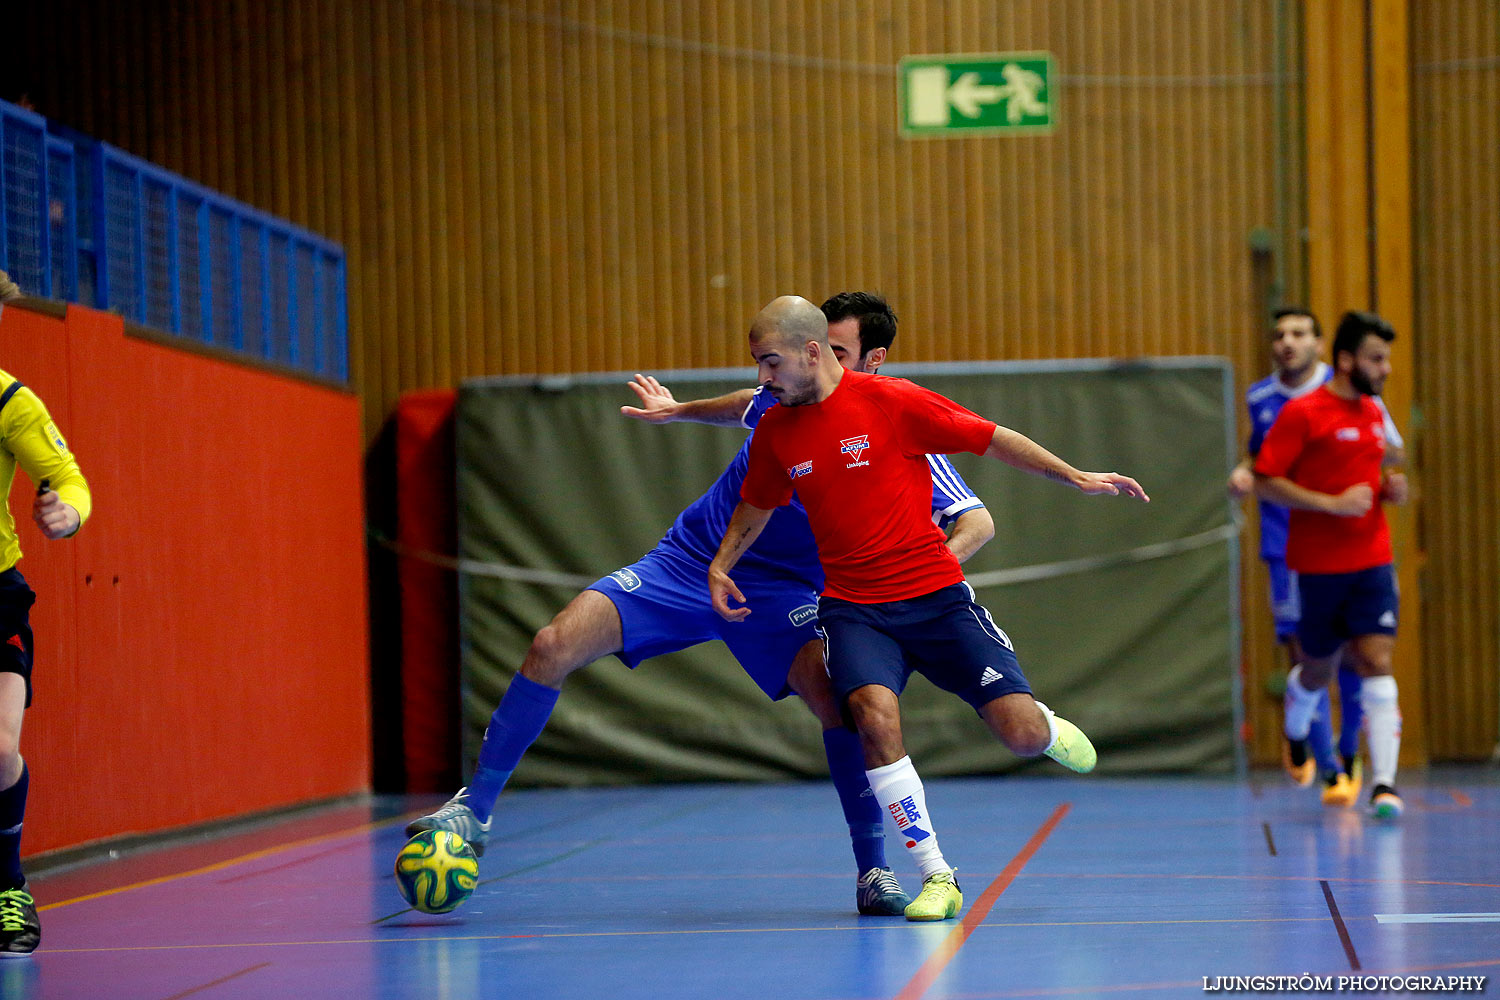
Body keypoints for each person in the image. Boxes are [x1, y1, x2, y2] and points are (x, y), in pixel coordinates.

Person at [408, 291, 994, 915]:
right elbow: (745, 404)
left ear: (863, 360)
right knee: (552, 643)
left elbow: (975, 521)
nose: (778, 374)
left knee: (837, 696)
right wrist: (678, 410)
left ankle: (873, 872)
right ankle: (475, 811)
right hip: (688, 564)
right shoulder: (781, 398)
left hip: (785, 594)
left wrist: (919, 576)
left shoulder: (901, 427)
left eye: (840, 352)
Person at [709, 296, 1148, 922]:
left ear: (812, 353)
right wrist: (721, 564)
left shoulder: (892, 403)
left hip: (937, 601)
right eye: (757, 364)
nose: (762, 377)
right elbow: (756, 504)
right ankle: (937, 874)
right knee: (872, 716)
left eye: (770, 362)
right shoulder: (777, 429)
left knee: (1019, 735)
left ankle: (1044, 727)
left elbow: (993, 440)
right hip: (853, 611)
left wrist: (1073, 475)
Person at [1227, 307, 1405, 807]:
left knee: (1372, 658)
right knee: (1314, 664)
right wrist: (1327, 502)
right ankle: (1306, 734)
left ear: (1325, 348)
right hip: (1303, 555)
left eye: (1299, 333)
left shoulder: (1370, 407)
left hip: (1370, 557)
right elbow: (1263, 466)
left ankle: (1373, 778)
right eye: (1279, 333)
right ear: (1351, 361)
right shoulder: (1282, 406)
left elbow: (1388, 454)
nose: (1287, 342)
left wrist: (1388, 487)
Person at [0, 363, 93, 958]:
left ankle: (8, 887)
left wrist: (69, 514)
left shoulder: (8, 398)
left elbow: (68, 479)